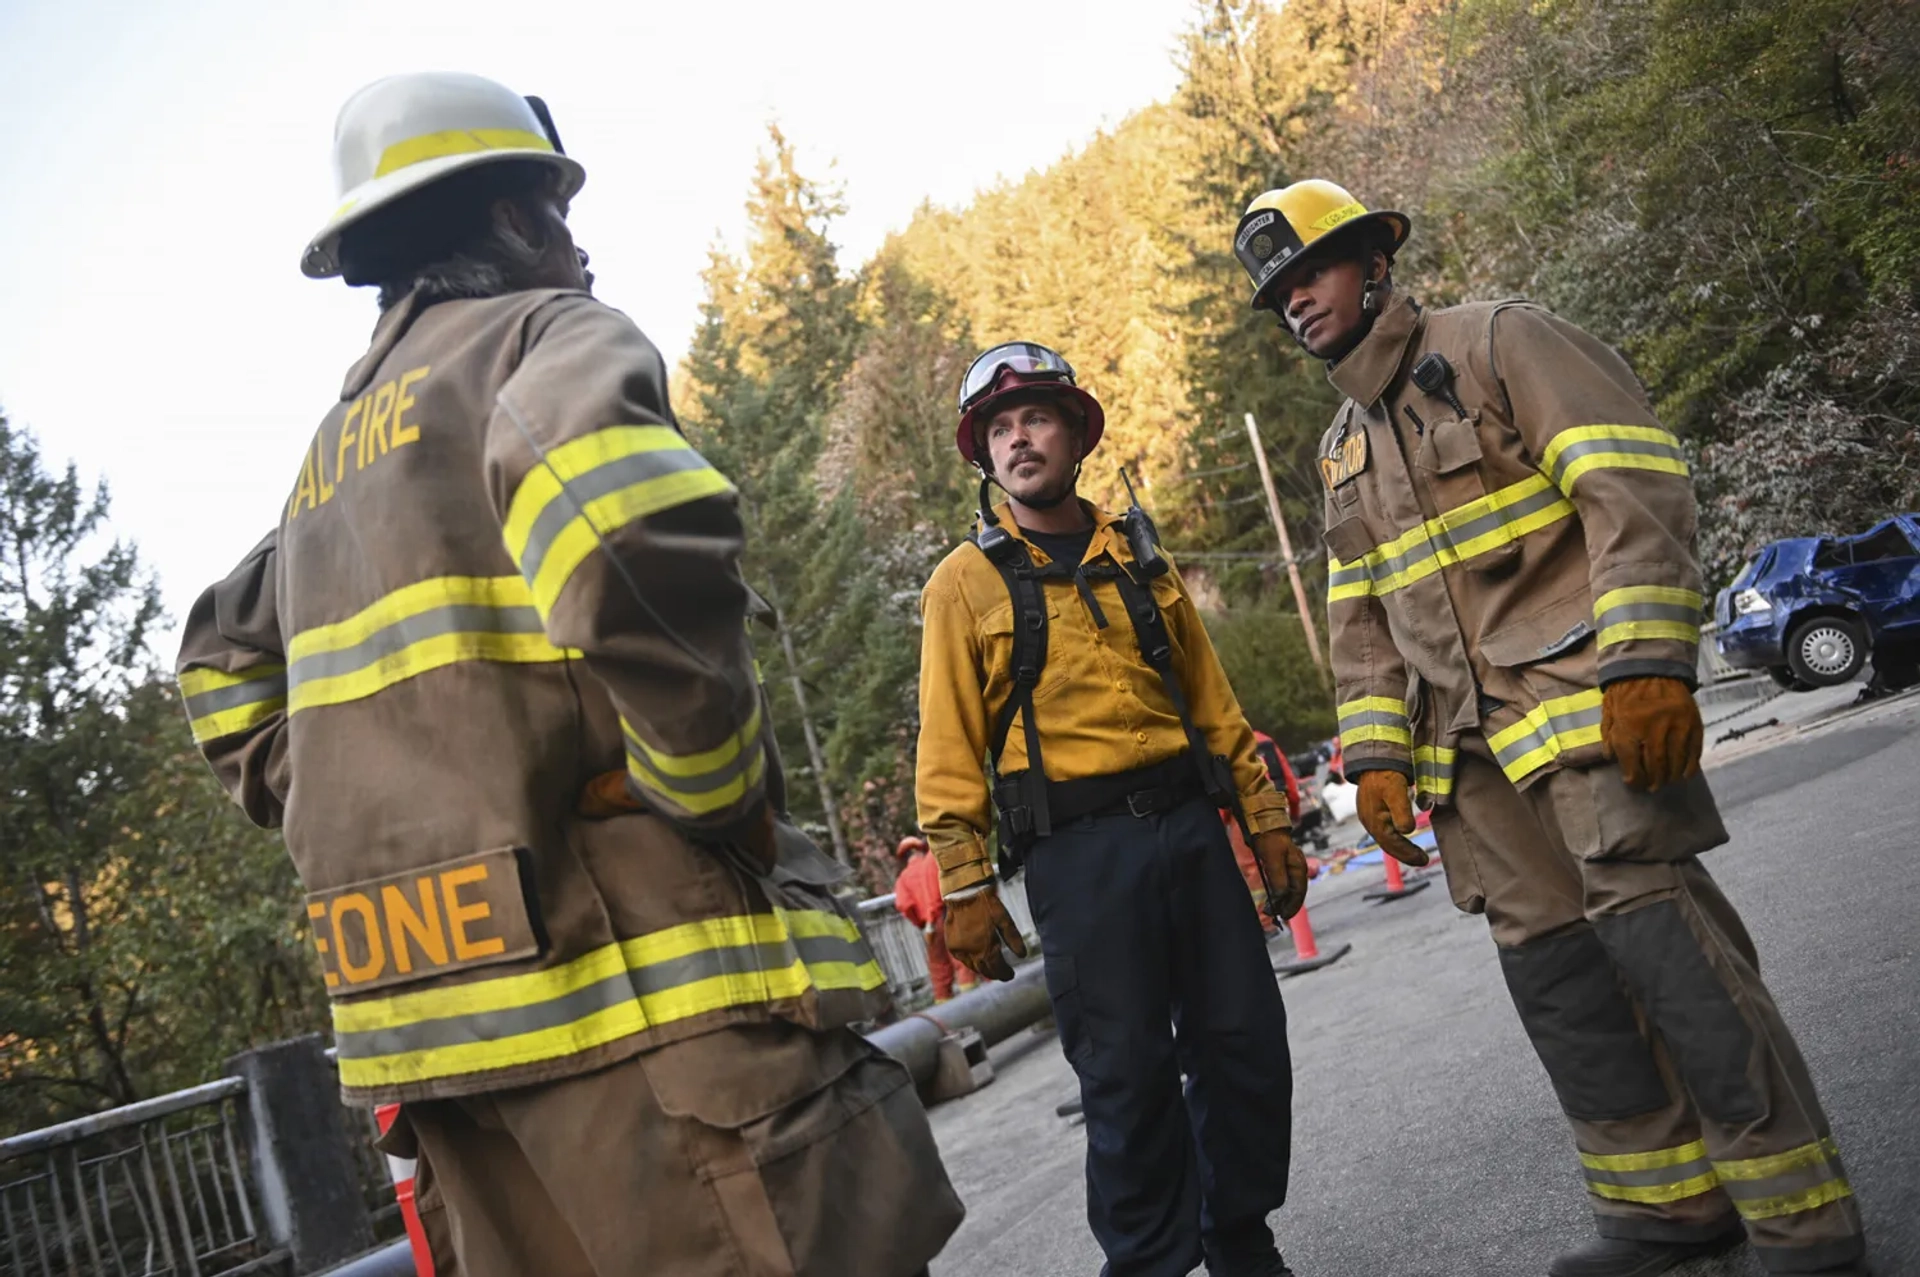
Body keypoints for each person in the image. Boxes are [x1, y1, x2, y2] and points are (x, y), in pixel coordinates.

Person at [176, 71, 961, 1277]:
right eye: (556, 207)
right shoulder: (544, 337)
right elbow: (617, 523)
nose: (577, 242)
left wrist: (369, 801)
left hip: (446, 1062)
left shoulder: (326, 467)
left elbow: (217, 660)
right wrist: (704, 785)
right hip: (644, 1026)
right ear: (505, 219)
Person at [1233, 178, 1869, 1277]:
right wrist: (1377, 755)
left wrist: (1648, 664)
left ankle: (1804, 1223)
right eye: (1278, 291)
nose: (1296, 300)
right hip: (1473, 772)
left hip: (1595, 724)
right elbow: (1364, 624)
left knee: (1672, 958)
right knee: (1561, 983)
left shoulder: (1497, 344)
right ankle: (1665, 1206)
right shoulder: (1339, 451)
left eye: (1311, 271)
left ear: (1375, 259)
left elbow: (1633, 486)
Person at [914, 342, 1309, 1277]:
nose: (1018, 440)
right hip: (1079, 858)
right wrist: (963, 882)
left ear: (1076, 433)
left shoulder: (1137, 552)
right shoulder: (962, 584)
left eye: (1036, 419)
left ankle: (1241, 1241)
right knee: (1128, 1080)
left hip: (1189, 831)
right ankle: (1149, 1265)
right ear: (985, 457)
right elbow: (946, 746)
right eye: (1000, 430)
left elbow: (1213, 703)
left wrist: (1268, 817)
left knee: (1244, 1046)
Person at [891, 834, 978, 1002]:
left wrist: (921, 923)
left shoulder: (902, 878)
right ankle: (973, 1003)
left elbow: (904, 905)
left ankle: (945, 1013)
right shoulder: (930, 862)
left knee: (939, 971)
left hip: (929, 928)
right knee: (962, 962)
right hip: (946, 915)